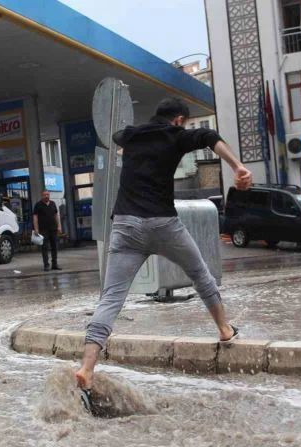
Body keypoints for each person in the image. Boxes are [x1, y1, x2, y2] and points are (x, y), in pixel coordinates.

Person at [74, 97, 252, 393]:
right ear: (179, 120)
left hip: (126, 226)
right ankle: (224, 329)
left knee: (111, 298)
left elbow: (115, 136)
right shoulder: (176, 135)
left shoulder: (131, 135)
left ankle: (86, 367)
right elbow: (210, 137)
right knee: (200, 275)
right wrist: (238, 167)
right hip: (163, 224)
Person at [32, 190, 63, 271]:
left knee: (54, 247)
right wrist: (36, 228)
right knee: (44, 247)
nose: (46, 196)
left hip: (53, 229)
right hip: (43, 230)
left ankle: (54, 264)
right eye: (44, 195)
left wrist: (59, 226)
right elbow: (35, 217)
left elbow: (56, 215)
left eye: (47, 195)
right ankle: (46, 265)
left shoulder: (53, 204)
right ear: (42, 196)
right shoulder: (38, 205)